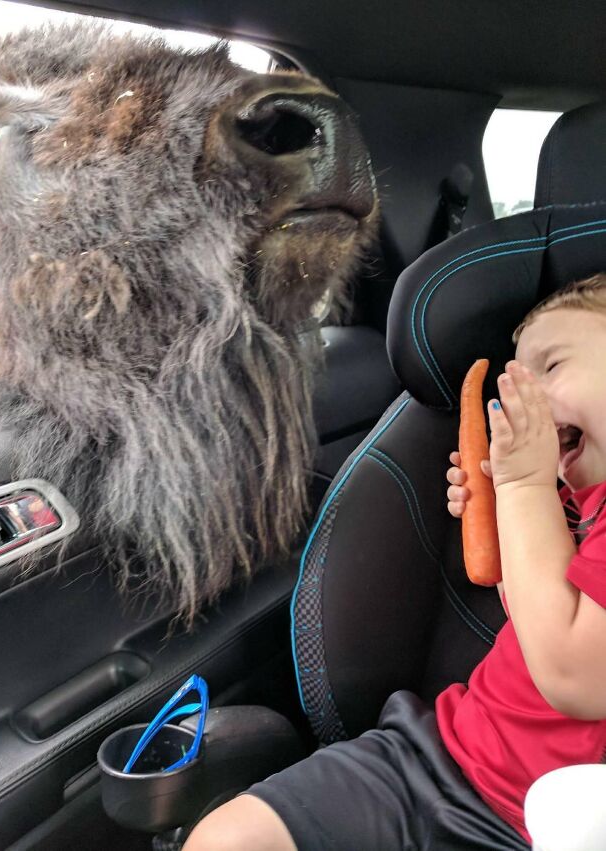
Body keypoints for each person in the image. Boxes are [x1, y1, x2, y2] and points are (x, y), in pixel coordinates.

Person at [183, 274, 606, 850]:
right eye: (517, 379)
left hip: (561, 821)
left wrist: (525, 486)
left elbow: (574, 678)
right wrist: (509, 520)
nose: (521, 394)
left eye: (551, 367)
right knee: (232, 837)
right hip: (449, 756)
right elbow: (538, 617)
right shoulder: (576, 505)